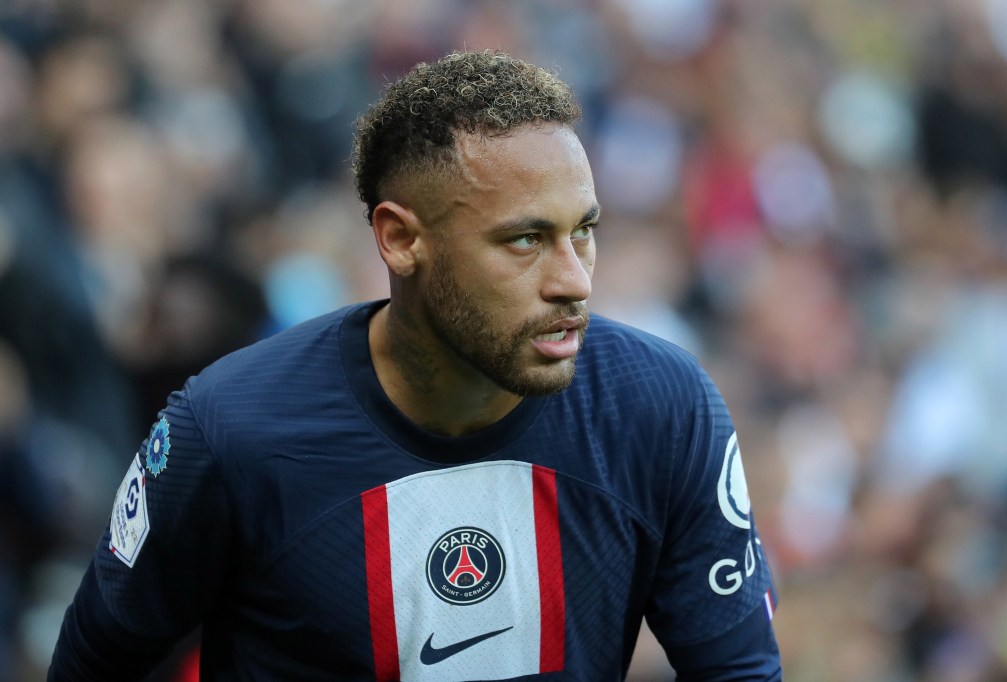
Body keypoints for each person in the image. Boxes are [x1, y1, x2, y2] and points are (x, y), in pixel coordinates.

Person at [49, 50, 782, 681]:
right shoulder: (231, 430)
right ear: (400, 240)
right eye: (525, 240)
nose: (574, 280)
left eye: (583, 232)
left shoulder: (661, 407)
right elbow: (96, 661)